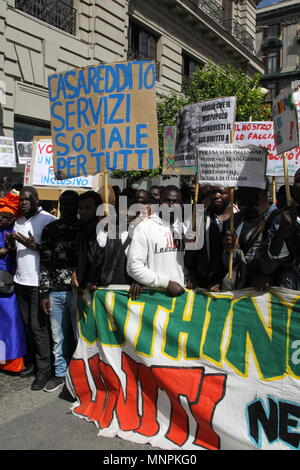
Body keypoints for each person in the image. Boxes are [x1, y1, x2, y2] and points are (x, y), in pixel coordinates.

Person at [12, 186, 56, 390]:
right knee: (27, 325)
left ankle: (44, 370)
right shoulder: (18, 221)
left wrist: (35, 246)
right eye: (21, 199)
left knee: (39, 328)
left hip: (38, 283)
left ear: (37, 199)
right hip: (20, 280)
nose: (23, 202)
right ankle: (32, 363)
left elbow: (55, 252)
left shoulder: (48, 220)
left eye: (27, 199)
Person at [39, 191, 80, 392]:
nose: (66, 206)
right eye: (63, 203)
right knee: (58, 338)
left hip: (78, 293)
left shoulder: (85, 229)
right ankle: (60, 374)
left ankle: (79, 376)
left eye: (71, 203)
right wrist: (44, 292)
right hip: (55, 292)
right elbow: (44, 263)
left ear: (78, 205)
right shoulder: (50, 229)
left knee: (79, 337)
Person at [127, 186, 187, 297]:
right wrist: (166, 283)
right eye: (167, 200)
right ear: (159, 201)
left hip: (181, 295)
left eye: (175, 202)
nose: (170, 204)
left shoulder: (183, 228)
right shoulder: (144, 227)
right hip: (155, 295)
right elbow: (133, 267)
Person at [222, 184, 275, 290]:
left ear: (262, 194)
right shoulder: (234, 220)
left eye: (244, 189)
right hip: (240, 285)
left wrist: (271, 276)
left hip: (266, 286)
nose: (238, 192)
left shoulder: (277, 219)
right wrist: (229, 251)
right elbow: (229, 264)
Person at [186, 186, 234, 292]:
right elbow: (192, 255)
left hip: (233, 284)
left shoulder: (240, 218)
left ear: (231, 193)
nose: (216, 196)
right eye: (213, 192)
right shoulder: (199, 219)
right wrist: (192, 274)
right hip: (206, 282)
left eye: (222, 192)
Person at [259, 171, 300, 290]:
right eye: (298, 181)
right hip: (288, 293)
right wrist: (283, 229)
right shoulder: (278, 218)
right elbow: (267, 267)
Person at [0, 191, 27, 373]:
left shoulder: (16, 230)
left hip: (9, 283)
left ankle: (13, 363)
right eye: (2, 216)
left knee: (11, 321)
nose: (4, 220)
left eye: (8, 217)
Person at [72, 191, 103, 290]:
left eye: (88, 208)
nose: (83, 211)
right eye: (80, 208)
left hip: (100, 288)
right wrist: (75, 272)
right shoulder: (80, 232)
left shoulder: (105, 232)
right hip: (82, 287)